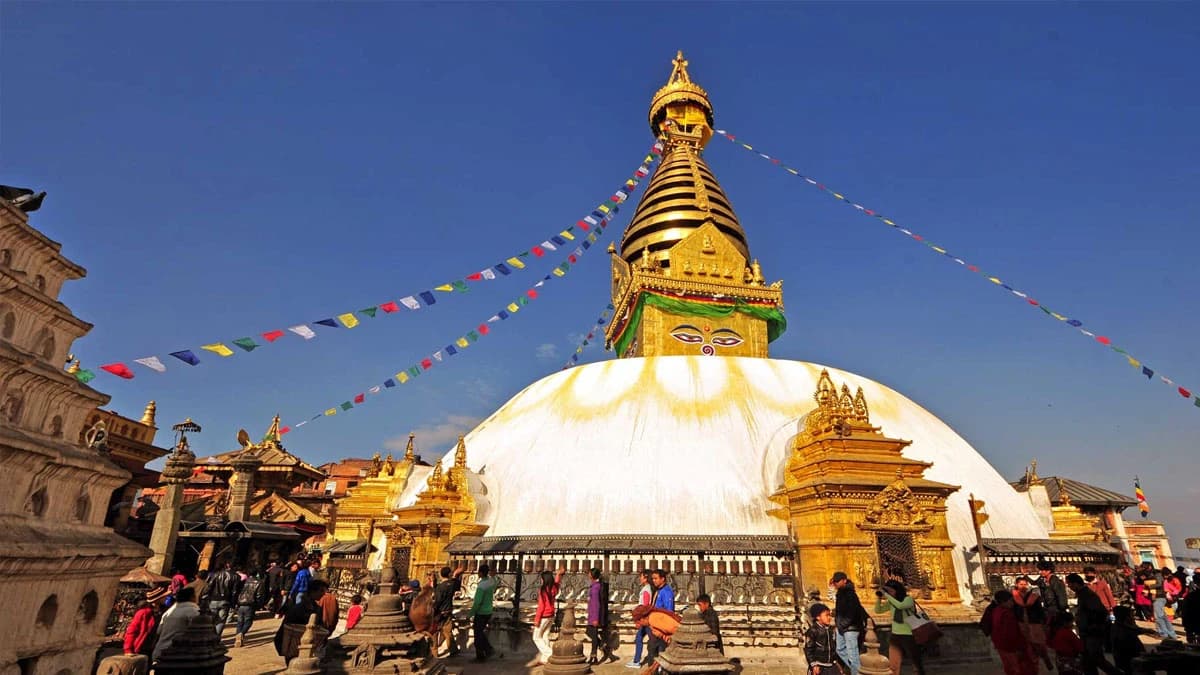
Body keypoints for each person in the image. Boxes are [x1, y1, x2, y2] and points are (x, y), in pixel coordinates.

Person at [1065, 573, 1119, 675]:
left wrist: (1091, 626)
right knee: (1088, 662)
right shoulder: (1083, 594)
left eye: (1070, 584)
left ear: (1076, 584)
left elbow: (1100, 612)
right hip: (1087, 632)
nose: (1069, 587)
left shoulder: (1087, 595)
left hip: (1092, 633)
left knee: (1096, 659)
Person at [874, 579, 925, 675]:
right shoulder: (891, 602)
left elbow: (900, 606)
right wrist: (879, 599)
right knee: (893, 664)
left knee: (916, 664)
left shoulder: (908, 599)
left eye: (890, 590)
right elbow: (878, 610)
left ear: (897, 590)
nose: (889, 593)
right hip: (896, 635)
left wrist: (887, 596)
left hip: (909, 634)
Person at [275, 579, 326, 666]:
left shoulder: (316, 608)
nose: (323, 594)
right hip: (294, 645)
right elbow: (286, 627)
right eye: (321, 591)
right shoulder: (299, 608)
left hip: (308, 647)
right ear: (312, 591)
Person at [1012, 575, 1053, 671]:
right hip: (1021, 624)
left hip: (1034, 624)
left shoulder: (1033, 597)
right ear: (1016, 585)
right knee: (1026, 647)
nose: (1023, 586)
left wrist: (1044, 623)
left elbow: (1040, 611)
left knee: (1039, 645)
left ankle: (1042, 661)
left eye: (1025, 584)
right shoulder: (1013, 598)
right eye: (1021, 584)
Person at [987, 590, 1032, 675]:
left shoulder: (996, 611)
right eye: (1010, 601)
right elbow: (1011, 633)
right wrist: (1019, 647)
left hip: (1001, 645)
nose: (1012, 603)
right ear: (1003, 602)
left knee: (1009, 668)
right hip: (1010, 647)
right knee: (1017, 669)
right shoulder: (1007, 614)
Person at [831, 571, 866, 675]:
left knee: (852, 654)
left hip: (851, 628)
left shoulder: (850, 594)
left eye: (838, 581)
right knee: (840, 649)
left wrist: (842, 624)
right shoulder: (840, 594)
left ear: (844, 581)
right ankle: (858, 670)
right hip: (842, 627)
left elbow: (852, 613)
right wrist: (838, 624)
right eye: (835, 582)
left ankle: (857, 672)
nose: (836, 584)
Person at [153, 586, 200, 663]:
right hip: (178, 655)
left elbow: (158, 631)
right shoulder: (194, 611)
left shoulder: (168, 612)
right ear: (192, 597)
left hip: (160, 651)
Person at [432, 563, 466, 657]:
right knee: (448, 632)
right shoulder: (451, 584)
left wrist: (433, 611)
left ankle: (434, 653)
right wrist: (456, 575)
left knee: (434, 633)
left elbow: (437, 601)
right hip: (448, 611)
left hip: (439, 614)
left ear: (441, 574)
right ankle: (453, 650)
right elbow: (457, 585)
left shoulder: (440, 587)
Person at [533, 567, 566, 664]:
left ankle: (551, 654)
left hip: (544, 616)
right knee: (544, 636)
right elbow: (557, 582)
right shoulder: (554, 588)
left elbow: (541, 606)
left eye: (542, 578)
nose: (541, 580)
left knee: (536, 637)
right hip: (551, 615)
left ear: (544, 579)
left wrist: (537, 619)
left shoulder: (543, 590)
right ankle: (545, 659)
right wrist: (558, 574)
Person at [805, 602, 846, 675]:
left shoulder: (831, 630)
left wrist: (836, 663)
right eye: (827, 615)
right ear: (818, 617)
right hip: (819, 666)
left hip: (831, 665)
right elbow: (808, 649)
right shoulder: (813, 631)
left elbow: (833, 648)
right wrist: (814, 664)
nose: (829, 617)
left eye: (830, 615)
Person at [124, 587, 166, 657]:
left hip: (154, 648)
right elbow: (131, 631)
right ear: (158, 599)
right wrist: (128, 649)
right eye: (164, 596)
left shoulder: (162, 611)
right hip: (141, 648)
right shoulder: (143, 613)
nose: (166, 598)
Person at [469, 563, 498, 662]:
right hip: (488, 611)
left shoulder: (482, 585)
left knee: (477, 635)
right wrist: (494, 576)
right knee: (480, 632)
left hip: (481, 612)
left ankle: (480, 656)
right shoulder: (490, 581)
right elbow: (495, 582)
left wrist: (471, 613)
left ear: (480, 573)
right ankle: (489, 649)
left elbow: (477, 601)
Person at [627, 570, 653, 668]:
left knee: (648, 640)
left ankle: (638, 661)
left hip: (645, 618)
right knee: (640, 638)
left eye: (641, 576)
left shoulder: (646, 589)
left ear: (645, 578)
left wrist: (639, 619)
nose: (640, 578)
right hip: (645, 618)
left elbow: (645, 606)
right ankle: (636, 660)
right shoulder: (647, 588)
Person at [648, 568, 676, 661]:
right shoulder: (658, 591)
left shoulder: (666, 592)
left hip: (661, 628)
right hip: (655, 627)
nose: (654, 581)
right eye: (653, 579)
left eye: (656, 578)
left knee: (659, 652)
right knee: (652, 651)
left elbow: (669, 612)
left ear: (662, 579)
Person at [234, 569, 266, 647]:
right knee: (248, 621)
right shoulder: (259, 582)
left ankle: (238, 636)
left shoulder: (243, 581)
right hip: (250, 604)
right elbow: (259, 595)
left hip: (241, 603)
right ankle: (242, 633)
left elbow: (237, 591)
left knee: (240, 621)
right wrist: (259, 605)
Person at [586, 567, 611, 665]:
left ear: (592, 575)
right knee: (590, 632)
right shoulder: (593, 585)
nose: (588, 575)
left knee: (594, 636)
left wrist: (596, 618)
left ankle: (593, 656)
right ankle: (602, 645)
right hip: (591, 614)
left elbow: (596, 603)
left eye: (589, 573)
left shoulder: (596, 587)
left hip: (594, 615)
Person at [207, 561, 239, 636]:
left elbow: (209, 586)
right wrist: (233, 604)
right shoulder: (236, 576)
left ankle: (208, 636)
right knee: (221, 621)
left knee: (211, 620)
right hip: (226, 601)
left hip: (213, 599)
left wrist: (208, 597)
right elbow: (234, 592)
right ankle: (216, 638)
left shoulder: (216, 574)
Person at [1110, 606, 1145, 674]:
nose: (1132, 617)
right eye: (1130, 615)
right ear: (1126, 617)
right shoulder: (1122, 630)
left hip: (1122, 657)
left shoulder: (1116, 626)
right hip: (1127, 658)